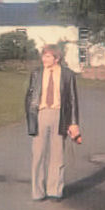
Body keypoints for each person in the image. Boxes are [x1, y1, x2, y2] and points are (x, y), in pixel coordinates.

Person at [25, 44, 81, 201]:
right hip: (41, 114)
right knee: (38, 154)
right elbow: (29, 96)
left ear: (57, 59)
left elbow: (73, 99)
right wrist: (30, 118)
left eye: (48, 56)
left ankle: (55, 190)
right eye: (43, 56)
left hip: (59, 115)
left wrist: (74, 123)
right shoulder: (36, 73)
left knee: (57, 155)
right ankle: (38, 192)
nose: (44, 59)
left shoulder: (67, 75)